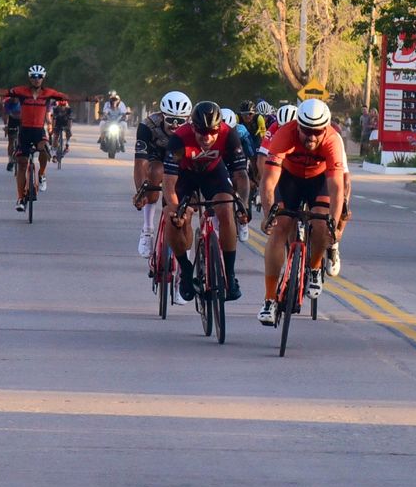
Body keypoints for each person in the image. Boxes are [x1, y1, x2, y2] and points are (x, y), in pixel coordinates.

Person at [256, 98, 347, 326]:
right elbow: (268, 181)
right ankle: (269, 300)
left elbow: (337, 189)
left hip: (320, 180)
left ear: (325, 128)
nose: (312, 137)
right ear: (298, 126)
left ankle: (315, 267)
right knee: (280, 228)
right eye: (307, 131)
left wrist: (333, 226)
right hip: (289, 180)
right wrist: (268, 214)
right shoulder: (284, 135)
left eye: (317, 132)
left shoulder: (333, 141)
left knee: (321, 224)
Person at [161, 101, 248, 306]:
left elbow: (241, 176)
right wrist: (175, 210)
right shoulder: (180, 138)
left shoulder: (229, 134)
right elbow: (169, 182)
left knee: (226, 209)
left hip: (213, 174)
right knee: (172, 218)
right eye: (202, 132)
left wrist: (243, 204)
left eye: (213, 131)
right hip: (185, 176)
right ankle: (186, 270)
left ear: (220, 128)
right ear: (193, 127)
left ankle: (229, 273)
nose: (207, 137)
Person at [0, 65, 68, 209]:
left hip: (39, 131)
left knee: (44, 150)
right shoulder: (21, 91)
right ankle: (20, 198)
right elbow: (3, 92)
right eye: (34, 76)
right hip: (25, 132)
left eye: (39, 77)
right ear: (30, 78)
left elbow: (67, 97)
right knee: (22, 164)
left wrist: (88, 98)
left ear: (43, 78)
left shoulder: (48, 93)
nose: (36, 79)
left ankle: (41, 174)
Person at [133, 90, 192, 258]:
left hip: (181, 157)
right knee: (155, 171)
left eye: (180, 121)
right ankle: (147, 229)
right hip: (157, 155)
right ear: (161, 115)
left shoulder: (193, 127)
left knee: (189, 197)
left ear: (187, 119)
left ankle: (186, 246)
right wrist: (140, 192)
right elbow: (140, 162)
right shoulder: (147, 125)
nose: (174, 125)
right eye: (170, 119)